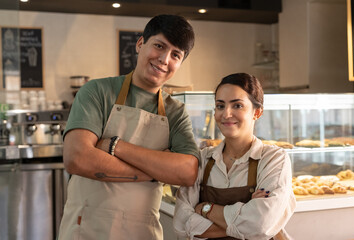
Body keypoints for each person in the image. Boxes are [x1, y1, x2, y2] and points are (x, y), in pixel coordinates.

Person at [58, 14, 199, 240]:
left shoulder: (175, 112)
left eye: (175, 55)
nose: (164, 59)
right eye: (159, 46)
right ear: (140, 44)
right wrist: (155, 171)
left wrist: (115, 146)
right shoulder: (97, 92)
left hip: (142, 232)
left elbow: (187, 171)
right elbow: (77, 158)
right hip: (87, 230)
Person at [173, 73, 296, 240]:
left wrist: (205, 209)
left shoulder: (273, 159)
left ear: (257, 112)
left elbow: (261, 224)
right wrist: (245, 215)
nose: (226, 114)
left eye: (237, 106)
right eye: (220, 106)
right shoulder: (202, 159)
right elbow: (181, 224)